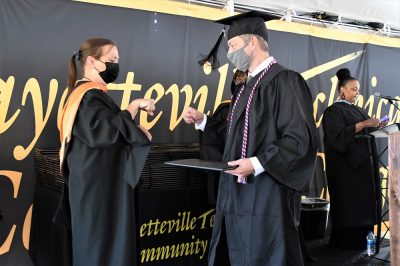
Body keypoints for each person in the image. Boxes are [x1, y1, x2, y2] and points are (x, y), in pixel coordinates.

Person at [184, 11, 319, 265]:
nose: (229, 53)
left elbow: (299, 139)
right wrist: (203, 121)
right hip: (237, 194)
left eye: (233, 45)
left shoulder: (284, 81)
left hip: (267, 196)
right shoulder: (246, 87)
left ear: (252, 42)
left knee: (266, 253)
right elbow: (237, 137)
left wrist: (256, 164)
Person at [55, 37, 155, 265]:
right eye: (112, 60)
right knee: (99, 248)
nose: (116, 66)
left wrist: (134, 130)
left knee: (98, 245)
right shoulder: (87, 97)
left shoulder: (84, 95)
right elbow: (104, 132)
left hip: (96, 187)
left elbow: (106, 132)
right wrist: (132, 108)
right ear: (92, 61)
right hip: (98, 191)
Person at [322, 68, 385, 249]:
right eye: (353, 89)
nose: (357, 93)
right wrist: (366, 123)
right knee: (349, 206)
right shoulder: (333, 111)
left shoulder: (358, 110)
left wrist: (377, 126)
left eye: (358, 89)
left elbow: (364, 131)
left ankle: (364, 242)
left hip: (363, 167)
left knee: (364, 205)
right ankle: (345, 246)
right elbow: (337, 137)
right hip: (345, 169)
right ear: (342, 90)